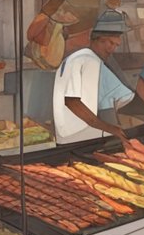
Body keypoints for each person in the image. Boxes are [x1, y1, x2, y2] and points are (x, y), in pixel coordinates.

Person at [52, 11, 134, 144]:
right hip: (77, 135)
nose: (110, 49)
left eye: (115, 45)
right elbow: (72, 101)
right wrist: (108, 128)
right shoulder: (86, 59)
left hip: (80, 133)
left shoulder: (91, 60)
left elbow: (113, 98)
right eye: (106, 42)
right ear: (94, 38)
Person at [26, 0, 76, 70]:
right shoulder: (43, 17)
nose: (61, 3)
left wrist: (62, 33)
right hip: (44, 59)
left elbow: (63, 33)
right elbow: (30, 35)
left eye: (62, 0)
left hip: (53, 61)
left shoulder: (57, 15)